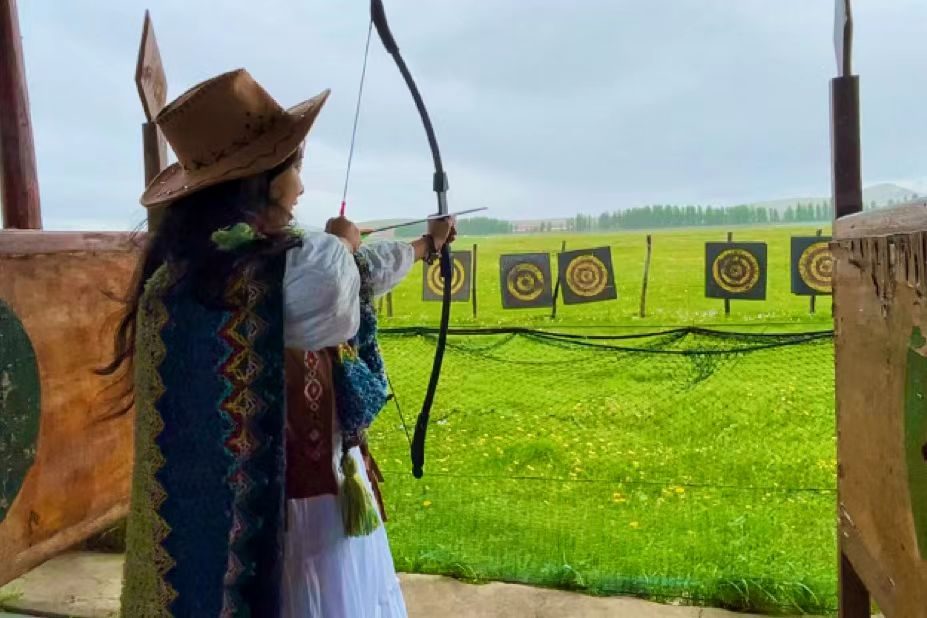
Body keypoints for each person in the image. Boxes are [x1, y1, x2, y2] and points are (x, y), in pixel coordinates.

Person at [100, 68, 455, 617]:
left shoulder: (225, 268)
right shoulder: (246, 276)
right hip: (276, 525)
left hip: (300, 507)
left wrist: (423, 246)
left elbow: (354, 277)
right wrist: (343, 243)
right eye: (296, 168)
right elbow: (337, 288)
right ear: (260, 181)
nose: (303, 187)